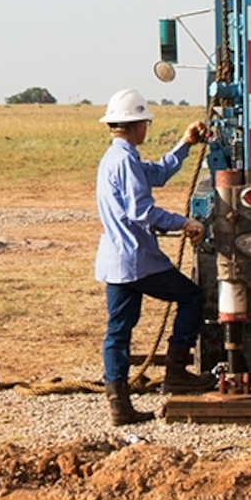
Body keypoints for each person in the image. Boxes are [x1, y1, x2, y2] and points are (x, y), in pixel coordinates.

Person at [95, 89, 208, 426]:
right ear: (134, 125)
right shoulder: (125, 160)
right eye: (144, 122)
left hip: (115, 261)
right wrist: (184, 222)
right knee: (191, 296)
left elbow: (157, 173)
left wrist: (185, 144)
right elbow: (141, 210)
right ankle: (176, 370)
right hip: (136, 259)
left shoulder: (115, 158)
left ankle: (119, 405)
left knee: (118, 331)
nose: (147, 128)